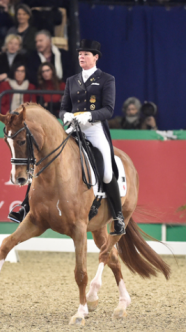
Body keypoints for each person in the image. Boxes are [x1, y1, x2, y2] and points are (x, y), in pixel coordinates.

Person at [60, 39, 125, 235]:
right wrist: (67, 116)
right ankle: (26, 206)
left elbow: (109, 109)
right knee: (50, 158)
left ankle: (118, 216)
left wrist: (89, 115)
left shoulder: (106, 79)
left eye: (86, 54)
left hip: (95, 129)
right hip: (74, 130)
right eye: (80, 54)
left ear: (95, 57)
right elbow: (63, 108)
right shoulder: (72, 80)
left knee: (106, 173)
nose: (82, 56)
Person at [0, 33, 25, 98]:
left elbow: (25, 73)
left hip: (17, 83)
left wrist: (8, 75)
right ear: (6, 44)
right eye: (10, 43)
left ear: (19, 47)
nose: (13, 46)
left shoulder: (23, 59)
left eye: (16, 44)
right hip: (1, 84)